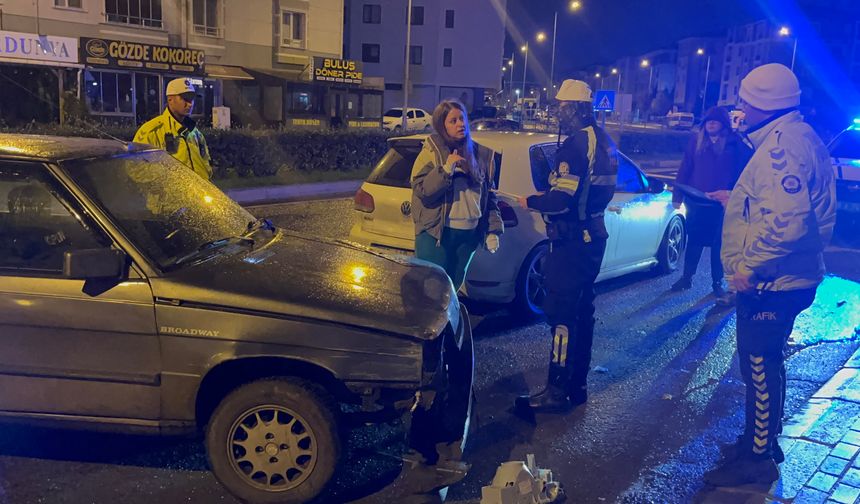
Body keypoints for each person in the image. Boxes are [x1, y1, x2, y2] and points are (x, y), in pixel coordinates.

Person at [704, 63, 836, 486]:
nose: (738, 110)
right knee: (767, 366)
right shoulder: (794, 137)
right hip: (786, 278)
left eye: (744, 101)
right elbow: (780, 208)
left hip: (773, 282)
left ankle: (757, 459)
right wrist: (739, 203)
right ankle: (760, 440)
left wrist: (746, 268)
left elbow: (787, 224)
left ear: (764, 104)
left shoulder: (780, 148)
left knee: (758, 368)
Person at [514, 79, 617, 412]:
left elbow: (560, 200)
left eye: (561, 106)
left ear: (575, 108)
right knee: (583, 312)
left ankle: (555, 391)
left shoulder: (574, 145)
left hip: (572, 242)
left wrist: (530, 200)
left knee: (561, 315)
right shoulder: (604, 140)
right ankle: (577, 386)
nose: (557, 111)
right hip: (593, 236)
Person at [410, 99, 504, 291]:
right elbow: (422, 191)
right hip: (437, 234)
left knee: (453, 288)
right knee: (431, 290)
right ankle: (430, 322)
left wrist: (492, 229)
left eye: (462, 119)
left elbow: (489, 198)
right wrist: (445, 170)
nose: (460, 124)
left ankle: (449, 322)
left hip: (468, 234)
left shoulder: (481, 155)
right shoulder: (431, 152)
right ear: (441, 125)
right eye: (453, 121)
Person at [671, 106, 753, 305]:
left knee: (719, 245)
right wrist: (678, 195)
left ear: (723, 124)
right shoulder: (696, 142)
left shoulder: (736, 145)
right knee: (695, 241)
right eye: (708, 121)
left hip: (723, 205)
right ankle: (686, 278)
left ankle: (717, 283)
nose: (711, 124)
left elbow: (747, 172)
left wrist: (735, 195)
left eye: (715, 121)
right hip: (697, 201)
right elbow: (685, 168)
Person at [133, 78, 212, 180]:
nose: (190, 104)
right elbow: (136, 170)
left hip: (197, 194)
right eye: (185, 99)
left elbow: (205, 162)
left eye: (191, 99)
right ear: (170, 99)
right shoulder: (151, 131)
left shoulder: (194, 132)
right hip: (170, 195)